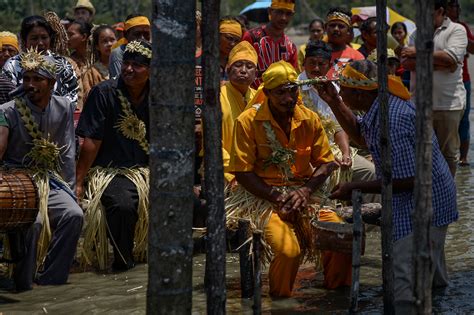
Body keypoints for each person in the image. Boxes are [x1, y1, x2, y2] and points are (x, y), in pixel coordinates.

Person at [316, 59, 458, 313]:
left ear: (359, 93)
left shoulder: (393, 119)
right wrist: (334, 102)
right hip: (429, 192)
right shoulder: (379, 108)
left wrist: (354, 187)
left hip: (422, 200)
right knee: (432, 275)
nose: (341, 93)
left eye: (343, 90)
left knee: (405, 280)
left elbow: (409, 180)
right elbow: (361, 136)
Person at [227, 60, 337, 297]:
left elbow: (327, 163)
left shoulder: (309, 118)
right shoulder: (247, 121)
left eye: (293, 91)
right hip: (263, 199)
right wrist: (277, 197)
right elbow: (242, 171)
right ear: (266, 94)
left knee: (340, 237)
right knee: (288, 252)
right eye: (281, 93)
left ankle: (337, 296)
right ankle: (281, 302)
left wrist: (305, 191)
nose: (289, 99)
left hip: (305, 194)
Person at [0, 48, 83, 291]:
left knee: (74, 215)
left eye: (38, 79)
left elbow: (67, 152)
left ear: (52, 83)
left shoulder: (64, 107)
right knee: (33, 222)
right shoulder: (8, 111)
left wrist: (70, 190)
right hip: (19, 180)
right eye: (26, 78)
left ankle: (51, 281)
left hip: (51, 179)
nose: (30, 84)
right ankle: (23, 283)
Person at [76, 40, 151, 271]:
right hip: (112, 171)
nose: (129, 69)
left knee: (192, 203)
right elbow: (91, 141)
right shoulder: (104, 92)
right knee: (123, 205)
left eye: (137, 65)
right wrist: (79, 182)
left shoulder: (160, 94)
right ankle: (123, 263)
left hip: (148, 169)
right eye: (126, 63)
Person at [299, 40, 379, 205]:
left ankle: (365, 226)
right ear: (303, 63)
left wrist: (346, 153)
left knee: (371, 173)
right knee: (324, 179)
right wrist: (324, 155)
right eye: (311, 63)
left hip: (335, 150)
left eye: (321, 64)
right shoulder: (295, 89)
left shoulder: (333, 88)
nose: (316, 68)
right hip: (307, 153)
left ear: (329, 65)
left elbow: (338, 127)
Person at [402, 0, 467, 176]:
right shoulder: (416, 33)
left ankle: (448, 195)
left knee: (448, 155)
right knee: (422, 153)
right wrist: (440, 62)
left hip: (448, 103)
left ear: (440, 11)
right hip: (420, 104)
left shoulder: (457, 30)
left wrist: (418, 53)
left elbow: (450, 59)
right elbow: (407, 63)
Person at [3, 14, 79, 107]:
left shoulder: (62, 64)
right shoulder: (12, 65)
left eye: (44, 37)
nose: (40, 43)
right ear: (24, 40)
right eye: (34, 38)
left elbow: (72, 97)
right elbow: (8, 96)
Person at [220, 41, 257, 182]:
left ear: (256, 74)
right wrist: (232, 175)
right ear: (228, 71)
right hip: (224, 174)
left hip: (255, 175)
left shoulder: (261, 99)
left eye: (249, 66)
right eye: (238, 65)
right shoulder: (216, 98)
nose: (243, 70)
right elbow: (212, 143)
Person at [242, 0, 298, 88]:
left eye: (288, 14)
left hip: (279, 100)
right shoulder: (251, 37)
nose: (283, 18)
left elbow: (292, 78)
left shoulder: (291, 47)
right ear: (270, 11)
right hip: (251, 97)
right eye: (279, 12)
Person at [446, 0, 474, 166]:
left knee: (463, 119)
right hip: (447, 78)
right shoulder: (437, 27)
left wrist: (461, 40)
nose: (456, 8)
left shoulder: (462, 27)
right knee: (446, 116)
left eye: (457, 6)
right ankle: (449, 153)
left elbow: (472, 49)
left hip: (463, 79)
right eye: (453, 5)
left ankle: (463, 157)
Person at [325, 7, 364, 78]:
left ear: (349, 31)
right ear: (325, 28)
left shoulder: (357, 57)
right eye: (332, 25)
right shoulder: (315, 54)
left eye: (341, 26)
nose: (336, 29)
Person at [108, 14, 150, 79]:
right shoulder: (118, 54)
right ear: (125, 35)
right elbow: (122, 82)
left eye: (146, 34)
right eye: (137, 34)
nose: (142, 38)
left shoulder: (152, 51)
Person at [82, 25, 117, 101]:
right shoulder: (90, 73)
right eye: (104, 41)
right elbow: (88, 98)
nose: (109, 44)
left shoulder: (124, 66)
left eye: (112, 40)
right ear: (97, 46)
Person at [67, 19, 93, 110]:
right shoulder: (69, 62)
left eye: (71, 35)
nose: (67, 38)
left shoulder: (97, 59)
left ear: (84, 37)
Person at [219, 17, 242, 82]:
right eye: (229, 38)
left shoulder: (237, 63)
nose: (232, 44)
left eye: (237, 41)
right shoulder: (204, 60)